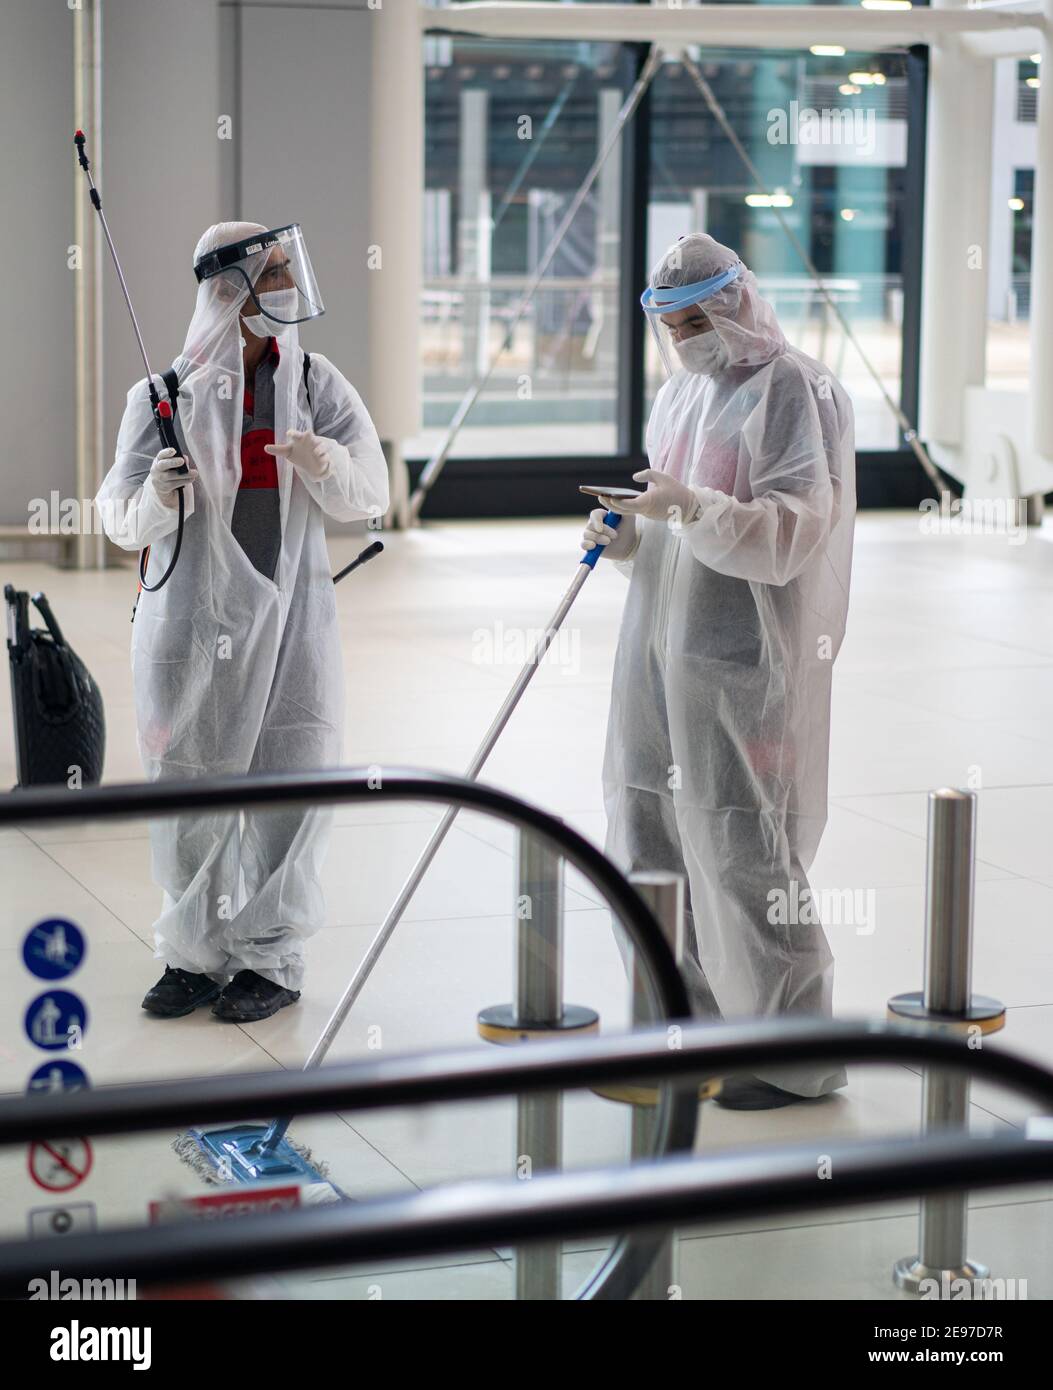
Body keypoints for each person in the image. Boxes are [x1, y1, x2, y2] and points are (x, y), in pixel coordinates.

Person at [582, 233, 855, 1109]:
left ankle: (792, 1056)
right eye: (671, 322)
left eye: (700, 315)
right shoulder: (679, 396)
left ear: (739, 297)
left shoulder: (797, 391)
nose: (688, 335)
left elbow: (790, 532)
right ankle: (682, 1026)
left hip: (746, 658)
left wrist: (693, 505)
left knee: (743, 847)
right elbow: (675, 537)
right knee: (648, 828)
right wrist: (633, 537)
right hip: (658, 653)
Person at [97, 222, 389, 1022]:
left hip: (292, 624)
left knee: (286, 782)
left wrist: (327, 466)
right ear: (229, 289)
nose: (292, 286)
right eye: (277, 272)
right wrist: (154, 495)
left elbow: (372, 495)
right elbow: (115, 517)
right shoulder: (160, 397)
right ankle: (192, 955)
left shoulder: (317, 384)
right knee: (188, 784)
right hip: (188, 626)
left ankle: (271, 957)